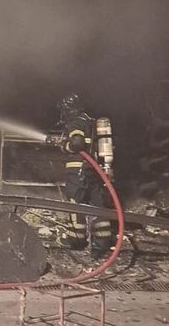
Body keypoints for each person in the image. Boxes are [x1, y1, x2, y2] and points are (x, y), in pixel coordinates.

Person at [56, 92, 113, 257]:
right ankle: (102, 243)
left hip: (78, 169)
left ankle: (76, 240)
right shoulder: (91, 121)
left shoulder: (75, 122)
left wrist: (64, 146)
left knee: (75, 203)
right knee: (97, 204)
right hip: (94, 170)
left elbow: (77, 143)